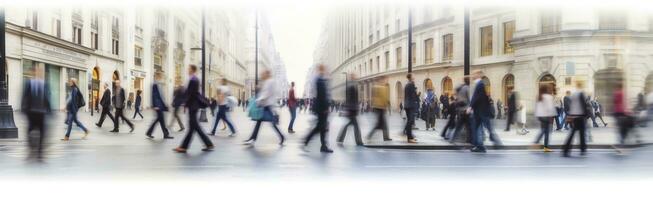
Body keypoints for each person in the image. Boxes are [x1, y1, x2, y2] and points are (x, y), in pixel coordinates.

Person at [174, 65, 214, 153]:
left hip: (193, 106)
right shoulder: (194, 79)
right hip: (193, 105)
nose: (187, 70)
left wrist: (185, 104)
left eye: (188, 69)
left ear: (192, 70)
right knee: (193, 127)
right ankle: (206, 144)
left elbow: (191, 94)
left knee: (194, 126)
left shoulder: (193, 80)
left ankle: (185, 147)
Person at [244, 69, 285, 145]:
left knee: (271, 123)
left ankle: (282, 136)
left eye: (262, 74)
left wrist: (258, 100)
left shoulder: (270, 82)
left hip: (268, 106)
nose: (261, 76)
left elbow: (266, 94)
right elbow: (265, 92)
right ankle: (252, 138)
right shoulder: (268, 82)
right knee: (259, 122)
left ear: (267, 74)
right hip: (266, 105)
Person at [468, 70, 502, 152]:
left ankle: (496, 142)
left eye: (474, 74)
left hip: (482, 111)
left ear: (478, 75)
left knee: (487, 127)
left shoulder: (480, 84)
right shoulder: (479, 84)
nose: (472, 75)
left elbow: (477, 97)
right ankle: (480, 146)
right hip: (479, 111)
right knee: (478, 128)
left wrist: (470, 107)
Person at [21, 66, 51, 158]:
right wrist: (23, 108)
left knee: (42, 131)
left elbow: (48, 97)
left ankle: (40, 151)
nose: (38, 73)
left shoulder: (45, 84)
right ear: (33, 73)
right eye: (36, 72)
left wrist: (50, 110)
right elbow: (25, 96)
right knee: (30, 130)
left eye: (40, 72)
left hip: (41, 112)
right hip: (31, 112)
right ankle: (31, 146)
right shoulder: (29, 83)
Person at [303, 64, 334, 152]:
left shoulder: (320, 79)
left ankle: (323, 146)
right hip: (322, 108)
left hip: (321, 107)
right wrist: (326, 108)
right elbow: (322, 96)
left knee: (322, 127)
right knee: (320, 128)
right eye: (324, 69)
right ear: (322, 70)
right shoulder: (319, 80)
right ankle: (306, 141)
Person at [562, 81, 590, 157]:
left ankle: (566, 150)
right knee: (581, 134)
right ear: (581, 85)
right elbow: (584, 105)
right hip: (580, 116)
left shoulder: (574, 94)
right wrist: (586, 115)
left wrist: (571, 115)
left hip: (574, 116)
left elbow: (572, 106)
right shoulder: (581, 93)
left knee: (573, 133)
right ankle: (582, 150)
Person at [336, 73, 363, 146]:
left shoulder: (353, 85)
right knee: (355, 126)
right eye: (354, 76)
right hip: (352, 109)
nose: (356, 77)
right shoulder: (351, 86)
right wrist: (352, 108)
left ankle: (340, 138)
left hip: (352, 109)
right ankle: (359, 141)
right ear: (352, 77)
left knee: (349, 124)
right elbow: (350, 99)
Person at [145, 73, 173, 139]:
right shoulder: (155, 85)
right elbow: (154, 96)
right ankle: (165, 134)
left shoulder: (158, 84)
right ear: (157, 77)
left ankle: (150, 132)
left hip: (160, 105)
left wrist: (164, 104)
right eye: (160, 76)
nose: (161, 77)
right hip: (158, 106)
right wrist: (155, 105)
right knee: (160, 119)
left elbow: (161, 96)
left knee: (160, 120)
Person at [366, 76, 392, 142]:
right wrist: (386, 106)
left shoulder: (379, 87)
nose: (387, 81)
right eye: (386, 79)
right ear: (382, 80)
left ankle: (385, 137)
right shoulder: (379, 87)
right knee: (380, 124)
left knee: (382, 124)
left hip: (379, 107)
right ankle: (370, 135)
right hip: (380, 107)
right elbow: (382, 98)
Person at [533, 85, 556, 152]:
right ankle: (540, 144)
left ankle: (542, 145)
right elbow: (550, 108)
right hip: (546, 116)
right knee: (546, 131)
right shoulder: (548, 97)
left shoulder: (539, 96)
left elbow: (537, 107)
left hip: (540, 116)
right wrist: (553, 115)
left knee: (544, 130)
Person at [449, 78, 472, 143]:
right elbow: (470, 98)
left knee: (459, 126)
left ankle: (452, 139)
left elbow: (456, 95)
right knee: (468, 126)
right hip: (466, 109)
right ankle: (469, 140)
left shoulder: (460, 88)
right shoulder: (467, 88)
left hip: (460, 109)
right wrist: (470, 107)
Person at [402, 74, 418, 143]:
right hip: (410, 105)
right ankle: (409, 138)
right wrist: (417, 94)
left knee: (410, 121)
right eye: (413, 76)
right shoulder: (411, 84)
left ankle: (410, 136)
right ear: (411, 77)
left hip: (407, 105)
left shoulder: (407, 85)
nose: (414, 77)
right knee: (410, 121)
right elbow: (413, 95)